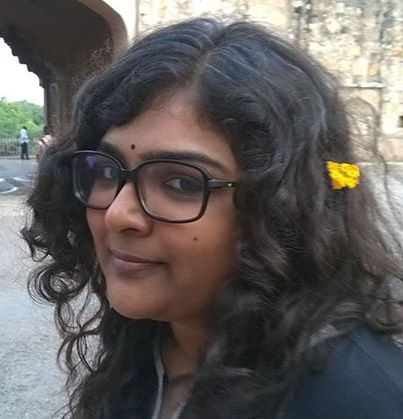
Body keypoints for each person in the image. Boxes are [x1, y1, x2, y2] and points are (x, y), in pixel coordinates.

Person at [22, 18, 403, 419]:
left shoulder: (352, 399)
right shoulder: (154, 341)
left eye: (182, 184)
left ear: (280, 210)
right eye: (106, 170)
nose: (118, 214)